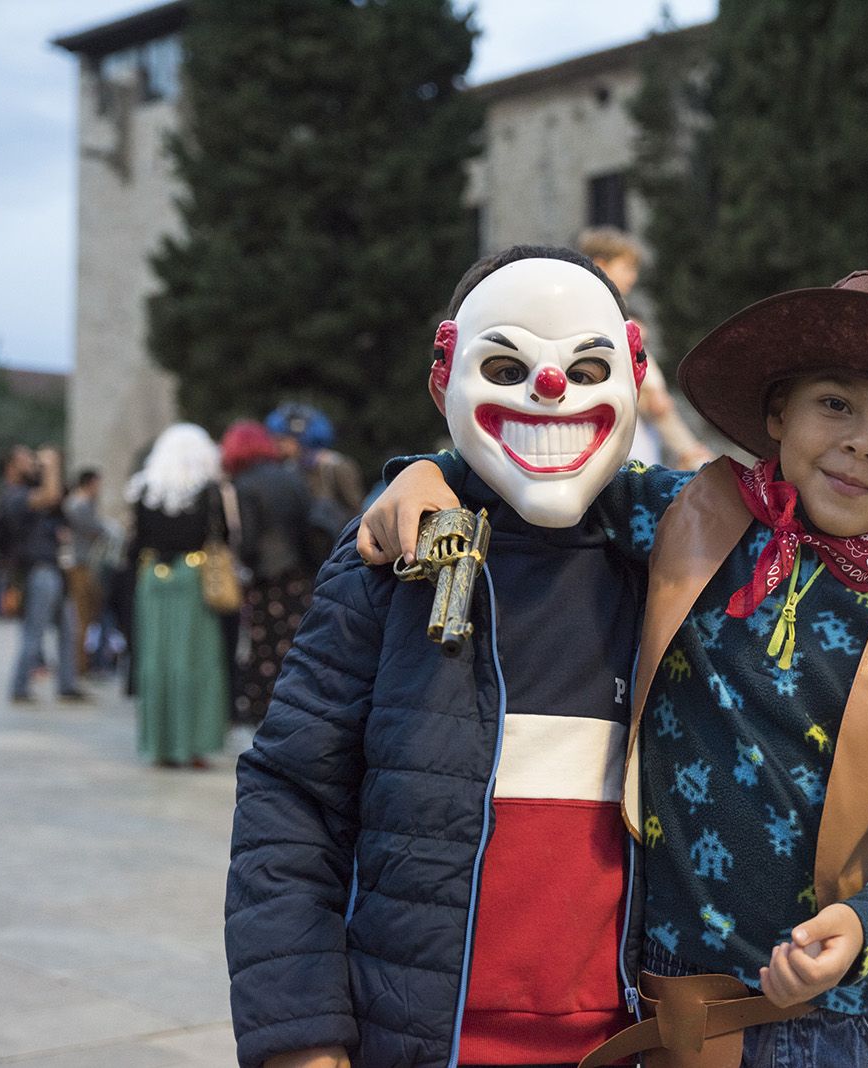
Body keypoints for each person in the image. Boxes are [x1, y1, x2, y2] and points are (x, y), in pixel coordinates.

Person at [368, 269, 868, 1066]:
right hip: (678, 1011)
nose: (864, 442)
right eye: (836, 404)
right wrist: (422, 472)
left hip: (845, 1029)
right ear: (777, 412)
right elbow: (537, 469)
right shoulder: (687, 518)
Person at [227, 248, 652, 1068]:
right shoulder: (382, 571)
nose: (550, 388)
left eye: (587, 365)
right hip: (420, 1035)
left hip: (624, 1039)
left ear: (632, 371)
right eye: (505, 363)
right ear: (444, 379)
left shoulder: (670, 565)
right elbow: (291, 798)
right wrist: (301, 1036)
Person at [125, 424, 230, 767]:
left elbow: (135, 543)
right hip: (193, 579)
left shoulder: (143, 490)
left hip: (153, 580)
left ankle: (160, 745)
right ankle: (194, 745)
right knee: (195, 661)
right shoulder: (209, 492)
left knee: (155, 662)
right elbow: (223, 537)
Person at [577, 227, 713, 471]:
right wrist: (652, 389)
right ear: (601, 264)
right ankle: (691, 454)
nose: (633, 277)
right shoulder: (596, 305)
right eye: (627, 268)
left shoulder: (615, 305)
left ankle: (691, 454)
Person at [220, 419, 315, 727]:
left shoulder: (244, 485)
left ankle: (264, 707)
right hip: (299, 571)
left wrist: (244, 564)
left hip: (266, 575)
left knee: (263, 648)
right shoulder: (292, 477)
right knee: (293, 642)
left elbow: (247, 538)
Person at [0, 445, 86, 703]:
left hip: (54, 570)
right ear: (11, 467)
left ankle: (67, 685)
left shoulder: (30, 491)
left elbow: (57, 497)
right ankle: (19, 686)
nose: (32, 461)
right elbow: (50, 495)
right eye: (25, 458)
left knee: (69, 630)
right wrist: (51, 464)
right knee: (34, 632)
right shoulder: (13, 496)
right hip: (38, 572)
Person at [265, 402, 366, 562]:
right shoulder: (288, 469)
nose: (278, 445)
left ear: (300, 436)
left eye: (283, 439)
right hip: (309, 554)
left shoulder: (337, 466)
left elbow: (356, 510)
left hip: (339, 549)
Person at [64, 469, 108, 674]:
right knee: (81, 617)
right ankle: (79, 666)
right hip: (79, 565)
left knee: (86, 615)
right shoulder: (79, 505)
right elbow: (95, 530)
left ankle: (82, 663)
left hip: (82, 563)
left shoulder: (80, 504)